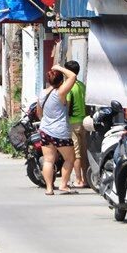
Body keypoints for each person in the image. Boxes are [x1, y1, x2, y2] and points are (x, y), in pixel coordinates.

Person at [35, 64, 78, 195]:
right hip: (60, 131)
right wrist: (59, 68)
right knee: (70, 158)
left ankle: (49, 188)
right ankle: (63, 185)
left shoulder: (42, 93)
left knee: (48, 160)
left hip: (45, 130)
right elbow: (73, 76)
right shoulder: (60, 92)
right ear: (61, 81)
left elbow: (39, 113)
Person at [64, 60, 88, 189]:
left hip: (73, 123)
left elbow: (67, 106)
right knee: (84, 153)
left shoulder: (69, 87)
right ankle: (87, 178)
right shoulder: (82, 85)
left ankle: (79, 180)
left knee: (76, 154)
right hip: (84, 122)